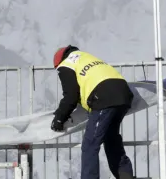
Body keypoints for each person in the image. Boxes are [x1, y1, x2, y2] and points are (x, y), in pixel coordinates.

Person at [50, 46, 135, 179]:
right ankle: (126, 176)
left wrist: (59, 119)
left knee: (90, 144)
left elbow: (70, 96)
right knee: (111, 139)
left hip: (103, 97)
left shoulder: (66, 64)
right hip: (123, 93)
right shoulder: (87, 57)